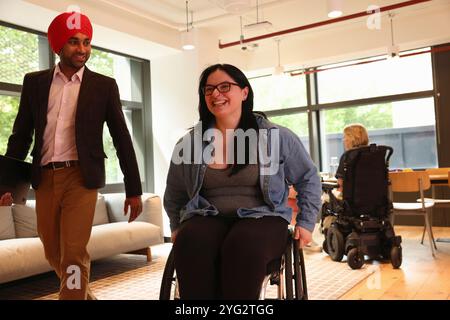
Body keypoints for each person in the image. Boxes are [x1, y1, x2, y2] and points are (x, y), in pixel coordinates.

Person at [4, 11, 143, 300]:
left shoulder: (103, 86)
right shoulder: (35, 83)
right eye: (74, 42)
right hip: (44, 178)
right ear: (57, 46)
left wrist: (133, 190)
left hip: (82, 178)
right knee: (52, 248)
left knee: (74, 253)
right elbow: (20, 136)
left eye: (87, 42)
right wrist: (5, 185)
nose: (82, 49)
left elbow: (122, 138)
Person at [164, 64, 322, 299]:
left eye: (224, 87)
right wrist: (177, 225)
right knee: (191, 241)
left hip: (263, 216)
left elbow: (307, 178)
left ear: (244, 93)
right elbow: (176, 191)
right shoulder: (190, 143)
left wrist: (307, 222)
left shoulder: (275, 137)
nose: (216, 94)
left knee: (242, 244)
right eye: (208, 90)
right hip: (208, 215)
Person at [322, 123, 369, 231]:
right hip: (375, 201)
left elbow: (340, 186)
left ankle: (326, 228)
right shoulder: (376, 155)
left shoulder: (348, 157)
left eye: (345, 137)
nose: (343, 140)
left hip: (351, 203)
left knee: (325, 200)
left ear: (353, 139)